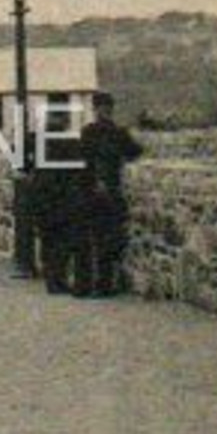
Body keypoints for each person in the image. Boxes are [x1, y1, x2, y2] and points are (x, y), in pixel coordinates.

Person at [78, 91, 143, 297]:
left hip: (94, 192)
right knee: (108, 238)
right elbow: (135, 152)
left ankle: (99, 284)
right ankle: (105, 283)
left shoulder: (89, 132)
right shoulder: (118, 132)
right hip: (111, 191)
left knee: (97, 238)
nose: (102, 111)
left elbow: (83, 161)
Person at [28, 107, 90, 295]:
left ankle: (52, 280)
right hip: (61, 198)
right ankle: (58, 280)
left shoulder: (37, 141)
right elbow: (79, 169)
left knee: (49, 239)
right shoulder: (69, 143)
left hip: (42, 197)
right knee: (63, 241)